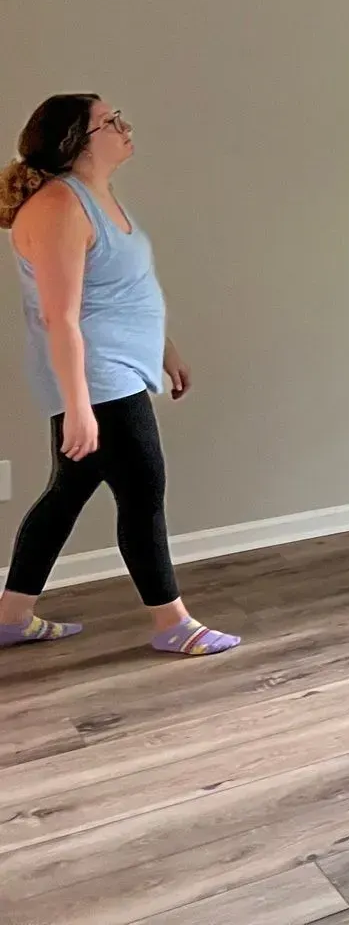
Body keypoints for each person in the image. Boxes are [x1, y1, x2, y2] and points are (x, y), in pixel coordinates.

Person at [0, 95, 239, 656]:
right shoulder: (59, 206)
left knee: (67, 494)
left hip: (119, 367)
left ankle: (11, 615)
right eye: (110, 122)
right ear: (76, 143)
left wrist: (164, 347)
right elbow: (59, 316)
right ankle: (173, 624)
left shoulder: (95, 197)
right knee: (143, 490)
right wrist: (78, 405)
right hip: (99, 377)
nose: (124, 126)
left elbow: (121, 292)